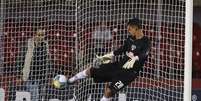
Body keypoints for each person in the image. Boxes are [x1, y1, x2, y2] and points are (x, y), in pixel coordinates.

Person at [67, 18, 151, 101]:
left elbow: (144, 54)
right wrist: (107, 56)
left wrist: (135, 58)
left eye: (130, 28)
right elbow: (121, 50)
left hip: (129, 73)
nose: (128, 30)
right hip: (118, 66)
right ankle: (70, 80)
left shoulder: (146, 41)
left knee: (109, 91)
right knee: (91, 71)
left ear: (136, 28)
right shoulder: (130, 39)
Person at [16, 29, 51, 101]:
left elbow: (48, 62)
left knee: (41, 98)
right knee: (35, 97)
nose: (40, 37)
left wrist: (49, 75)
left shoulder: (45, 45)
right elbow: (20, 60)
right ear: (35, 35)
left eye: (42, 35)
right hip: (31, 77)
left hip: (42, 78)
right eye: (39, 35)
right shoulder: (28, 44)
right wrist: (19, 75)